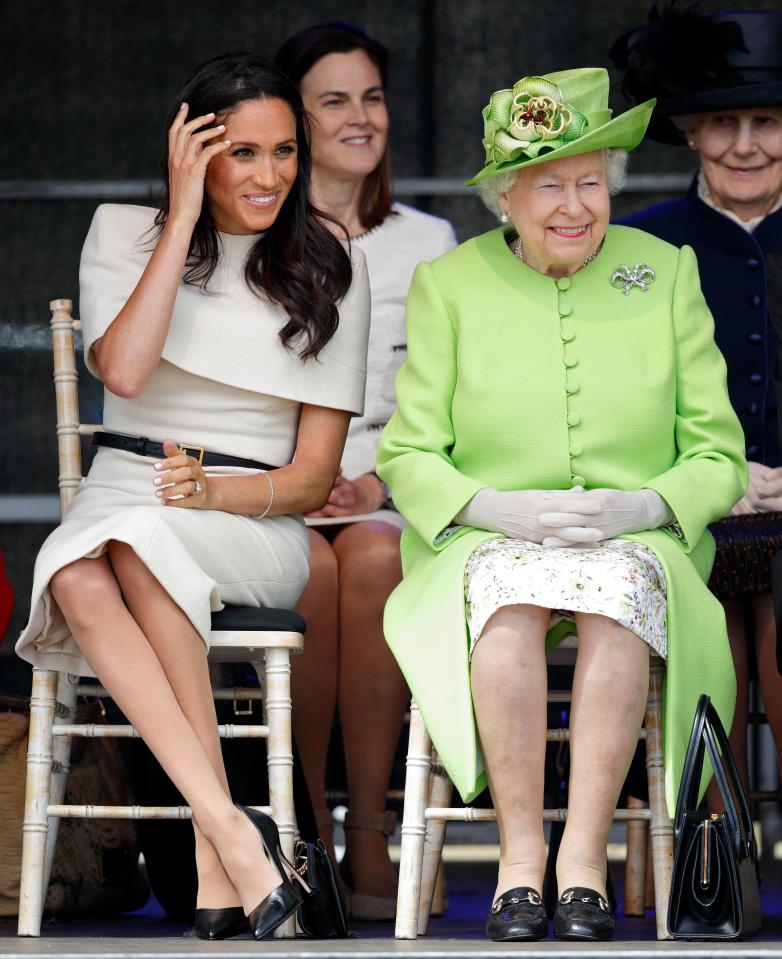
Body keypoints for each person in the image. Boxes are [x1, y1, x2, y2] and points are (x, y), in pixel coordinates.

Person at [377, 67, 747, 942]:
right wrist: (493, 506)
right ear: (507, 196)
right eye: (550, 185)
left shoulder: (665, 272)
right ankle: (517, 861)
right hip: (489, 537)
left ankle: (582, 861)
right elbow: (408, 450)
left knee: (617, 609)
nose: (575, 205)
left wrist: (646, 505)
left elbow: (717, 449)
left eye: (591, 182)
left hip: (637, 539)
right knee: (507, 611)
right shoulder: (449, 283)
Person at [16, 53, 369, 941]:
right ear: (193, 151)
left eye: (284, 152)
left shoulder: (331, 267)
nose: (269, 175)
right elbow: (127, 372)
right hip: (125, 492)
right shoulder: (121, 232)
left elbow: (316, 479)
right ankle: (231, 840)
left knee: (126, 550)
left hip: (252, 517)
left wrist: (219, 491)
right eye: (241, 153)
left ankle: (226, 846)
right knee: (85, 569)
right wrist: (178, 218)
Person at [274, 22, 456, 920]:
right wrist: (302, 477)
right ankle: (301, 828)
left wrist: (378, 482)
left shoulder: (430, 240)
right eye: (334, 100)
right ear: (296, 122)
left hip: (391, 482)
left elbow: (449, 393)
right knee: (307, 570)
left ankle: (373, 829)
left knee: (377, 558)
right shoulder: (251, 235)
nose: (360, 116)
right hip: (275, 484)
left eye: (372, 97)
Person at [611, 7, 782, 801]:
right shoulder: (639, 246)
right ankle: (722, 854)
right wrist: (711, 477)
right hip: (686, 512)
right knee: (710, 626)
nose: (746, 144)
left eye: (767, 122)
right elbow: (617, 398)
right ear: (688, 130)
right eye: (723, 122)